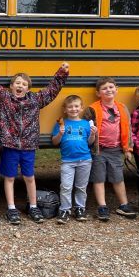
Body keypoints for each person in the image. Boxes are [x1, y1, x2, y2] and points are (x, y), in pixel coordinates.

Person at [0, 50, 69, 225]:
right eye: (17, 83)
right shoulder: (4, 97)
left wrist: (62, 73)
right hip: (10, 145)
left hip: (28, 145)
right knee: (9, 177)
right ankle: (11, 208)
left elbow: (52, 91)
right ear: (11, 86)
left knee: (30, 177)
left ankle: (34, 206)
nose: (20, 85)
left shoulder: (35, 100)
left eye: (23, 84)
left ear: (28, 88)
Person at [83, 77, 137, 221]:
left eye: (111, 87)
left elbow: (128, 129)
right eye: (104, 88)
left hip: (116, 149)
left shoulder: (122, 108)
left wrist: (127, 149)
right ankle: (102, 206)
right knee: (99, 178)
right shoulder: (92, 109)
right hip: (99, 150)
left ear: (116, 90)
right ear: (98, 93)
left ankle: (123, 205)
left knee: (118, 178)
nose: (108, 90)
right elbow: (85, 129)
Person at [51, 95, 97, 224]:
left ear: (81, 108)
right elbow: (54, 142)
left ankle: (80, 208)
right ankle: (65, 209)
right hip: (68, 161)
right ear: (65, 109)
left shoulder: (85, 124)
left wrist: (93, 134)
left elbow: (89, 143)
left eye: (76, 106)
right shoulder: (61, 123)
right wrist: (60, 133)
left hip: (85, 159)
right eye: (70, 107)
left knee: (81, 187)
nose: (73, 109)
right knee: (66, 186)